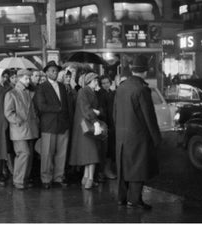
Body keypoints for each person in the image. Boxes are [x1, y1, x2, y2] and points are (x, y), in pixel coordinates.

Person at [113, 55, 161, 210]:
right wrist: (156, 138)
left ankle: (121, 198)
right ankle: (134, 200)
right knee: (137, 168)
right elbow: (149, 117)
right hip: (138, 135)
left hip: (121, 135)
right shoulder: (142, 89)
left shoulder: (121, 87)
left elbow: (114, 113)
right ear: (145, 72)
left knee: (123, 167)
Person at [35, 61, 72, 189]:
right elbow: (41, 106)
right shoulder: (42, 87)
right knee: (47, 154)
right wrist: (58, 108)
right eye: (52, 70)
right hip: (49, 125)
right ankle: (46, 178)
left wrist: (67, 120)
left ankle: (58, 177)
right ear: (46, 72)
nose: (54, 73)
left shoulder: (62, 86)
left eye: (56, 70)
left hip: (63, 124)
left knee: (61, 153)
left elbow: (67, 106)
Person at [4, 69, 40, 190]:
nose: (28, 80)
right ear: (19, 79)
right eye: (26, 78)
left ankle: (23, 179)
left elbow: (33, 111)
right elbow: (8, 113)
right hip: (19, 130)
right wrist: (18, 120)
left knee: (27, 156)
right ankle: (18, 180)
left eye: (29, 78)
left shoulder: (28, 93)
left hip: (29, 129)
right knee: (24, 154)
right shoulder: (11, 94)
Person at [69, 72, 103, 189]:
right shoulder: (85, 91)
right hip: (87, 124)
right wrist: (95, 121)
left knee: (88, 153)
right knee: (92, 153)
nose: (96, 83)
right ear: (89, 82)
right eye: (94, 81)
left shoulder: (85, 91)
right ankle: (90, 179)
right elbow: (86, 109)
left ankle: (86, 178)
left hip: (83, 125)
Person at [96, 75, 117, 180]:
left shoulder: (112, 93)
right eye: (103, 83)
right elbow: (102, 111)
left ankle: (106, 170)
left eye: (107, 82)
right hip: (105, 124)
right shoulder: (100, 94)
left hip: (113, 124)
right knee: (106, 149)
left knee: (111, 148)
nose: (105, 85)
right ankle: (104, 171)